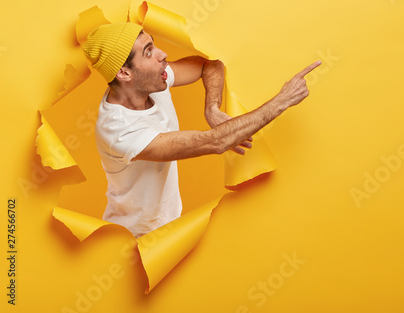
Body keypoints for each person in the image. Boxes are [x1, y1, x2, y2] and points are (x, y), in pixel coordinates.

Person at [82, 22, 321, 237]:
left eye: (153, 45)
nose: (162, 55)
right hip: (132, 240)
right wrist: (283, 100)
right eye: (148, 52)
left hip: (171, 228)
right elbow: (216, 142)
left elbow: (211, 64)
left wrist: (212, 108)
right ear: (124, 73)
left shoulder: (154, 81)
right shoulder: (118, 130)